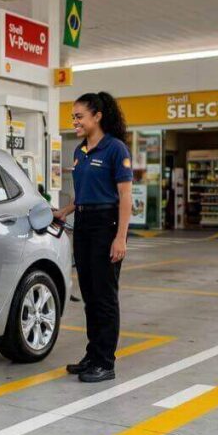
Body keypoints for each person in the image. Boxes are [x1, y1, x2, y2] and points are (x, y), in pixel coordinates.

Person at [53, 92, 132, 383]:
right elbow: (83, 191)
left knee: (105, 296)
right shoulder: (80, 150)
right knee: (89, 294)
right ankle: (92, 355)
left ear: (97, 116)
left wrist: (120, 237)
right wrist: (66, 210)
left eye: (79, 116)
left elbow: (125, 197)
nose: (74, 121)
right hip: (84, 222)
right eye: (73, 117)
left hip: (107, 223)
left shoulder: (115, 149)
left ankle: (105, 362)